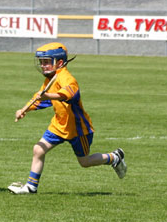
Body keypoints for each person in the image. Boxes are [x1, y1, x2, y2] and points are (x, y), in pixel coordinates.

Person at [8, 42, 127, 194]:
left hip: (77, 128)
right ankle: (31, 187)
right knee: (38, 150)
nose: (43, 66)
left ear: (59, 63)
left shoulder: (66, 77)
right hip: (58, 125)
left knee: (84, 162)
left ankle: (114, 157)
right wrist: (25, 109)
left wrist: (48, 95)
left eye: (46, 62)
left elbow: (69, 95)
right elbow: (40, 99)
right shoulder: (50, 78)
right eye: (41, 62)